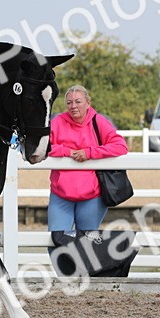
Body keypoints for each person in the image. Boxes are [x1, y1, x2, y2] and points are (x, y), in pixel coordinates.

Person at [47, 85, 128, 236]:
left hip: (92, 197)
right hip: (61, 195)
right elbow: (42, 147)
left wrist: (90, 152)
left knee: (86, 243)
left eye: (78, 101)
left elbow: (120, 146)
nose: (73, 106)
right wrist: (67, 152)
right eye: (69, 102)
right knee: (56, 240)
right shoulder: (57, 122)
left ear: (88, 103)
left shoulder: (98, 121)